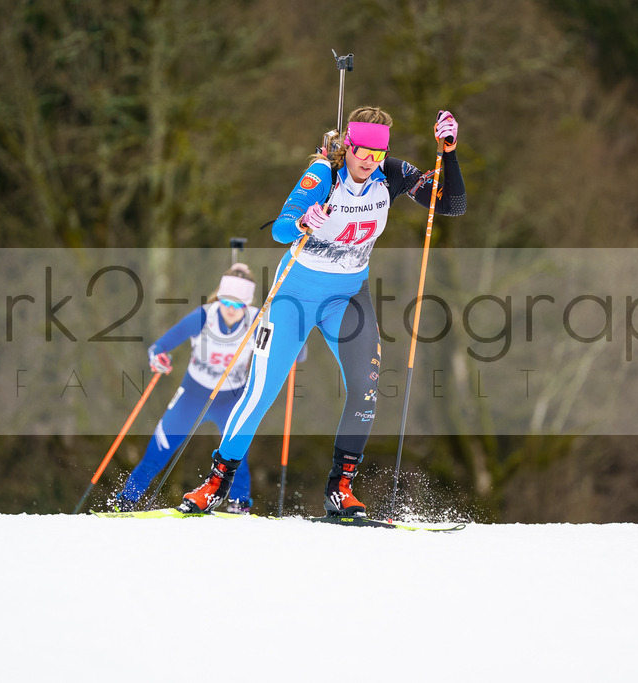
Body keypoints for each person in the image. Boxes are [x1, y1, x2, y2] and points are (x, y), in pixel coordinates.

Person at [178, 105, 466, 517]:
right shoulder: (324, 176)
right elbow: (281, 227)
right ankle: (217, 482)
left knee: (367, 389)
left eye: (377, 153)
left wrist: (449, 152)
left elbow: (451, 205)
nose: (368, 160)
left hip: (347, 298)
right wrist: (303, 221)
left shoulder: (394, 174)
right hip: (293, 298)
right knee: (260, 392)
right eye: (361, 150)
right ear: (347, 145)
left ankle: (340, 488)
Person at [114, 264, 260, 512]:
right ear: (219, 297)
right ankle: (127, 500)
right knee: (158, 450)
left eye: (239, 305)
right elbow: (158, 347)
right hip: (193, 395)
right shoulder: (203, 317)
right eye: (227, 302)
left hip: (231, 399)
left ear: (248, 304)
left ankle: (239, 505)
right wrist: (158, 358)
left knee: (238, 456)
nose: (231, 310)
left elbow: (295, 352)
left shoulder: (257, 321)